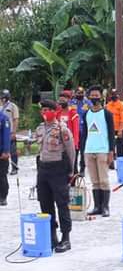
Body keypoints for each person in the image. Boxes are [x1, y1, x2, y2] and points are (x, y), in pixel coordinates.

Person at [36, 100, 75, 252]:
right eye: (43, 110)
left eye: (48, 110)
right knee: (45, 203)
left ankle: (66, 237)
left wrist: (71, 170)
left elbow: (71, 150)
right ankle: (51, 236)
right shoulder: (40, 128)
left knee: (62, 203)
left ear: (54, 111)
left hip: (58, 168)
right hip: (43, 169)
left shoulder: (62, 129)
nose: (45, 113)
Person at [81, 86, 115, 217]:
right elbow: (85, 134)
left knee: (104, 180)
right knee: (94, 180)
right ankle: (97, 206)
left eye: (97, 95)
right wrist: (83, 151)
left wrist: (111, 151)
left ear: (101, 97)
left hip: (103, 150)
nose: (94, 98)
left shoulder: (107, 114)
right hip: (89, 151)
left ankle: (105, 207)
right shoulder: (86, 114)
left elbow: (111, 133)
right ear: (89, 97)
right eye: (92, 95)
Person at [71, 86, 92, 174]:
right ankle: (74, 169)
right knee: (74, 151)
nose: (80, 94)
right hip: (74, 131)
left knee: (83, 151)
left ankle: (82, 168)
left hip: (84, 130)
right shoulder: (72, 102)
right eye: (78, 93)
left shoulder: (87, 102)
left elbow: (92, 112)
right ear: (75, 93)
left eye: (81, 93)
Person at [56, 91, 80, 162]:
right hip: (60, 141)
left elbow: (76, 130)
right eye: (60, 101)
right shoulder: (58, 113)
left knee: (72, 162)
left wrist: (75, 143)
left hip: (70, 141)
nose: (61, 102)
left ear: (68, 100)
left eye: (63, 100)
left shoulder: (73, 113)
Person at [1, 90, 19, 175]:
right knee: (3, 150)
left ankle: (14, 168)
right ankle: (5, 167)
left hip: (10, 131)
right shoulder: (0, 107)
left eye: (4, 96)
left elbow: (15, 119)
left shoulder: (12, 106)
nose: (3, 98)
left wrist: (14, 132)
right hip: (2, 132)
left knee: (12, 151)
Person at [106, 88, 123, 159]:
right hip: (110, 129)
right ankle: (111, 162)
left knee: (120, 148)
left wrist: (120, 130)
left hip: (119, 130)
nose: (113, 96)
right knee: (110, 147)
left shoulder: (121, 105)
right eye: (112, 94)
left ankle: (121, 163)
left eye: (115, 94)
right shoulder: (108, 105)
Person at [0, 109, 10, 205]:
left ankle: (3, 197)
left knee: (2, 176)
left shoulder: (4, 118)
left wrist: (6, 151)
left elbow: (6, 136)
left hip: (1, 153)